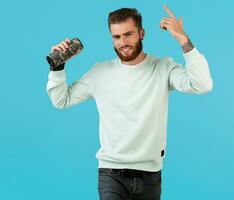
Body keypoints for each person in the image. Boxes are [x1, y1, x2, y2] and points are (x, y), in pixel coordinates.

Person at [46, 4, 213, 200]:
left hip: (150, 175)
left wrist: (183, 40)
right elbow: (61, 100)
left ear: (142, 33)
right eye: (116, 37)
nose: (123, 42)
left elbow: (202, 85)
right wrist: (57, 67)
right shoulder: (100, 72)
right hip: (111, 174)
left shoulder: (163, 67)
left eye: (128, 34)